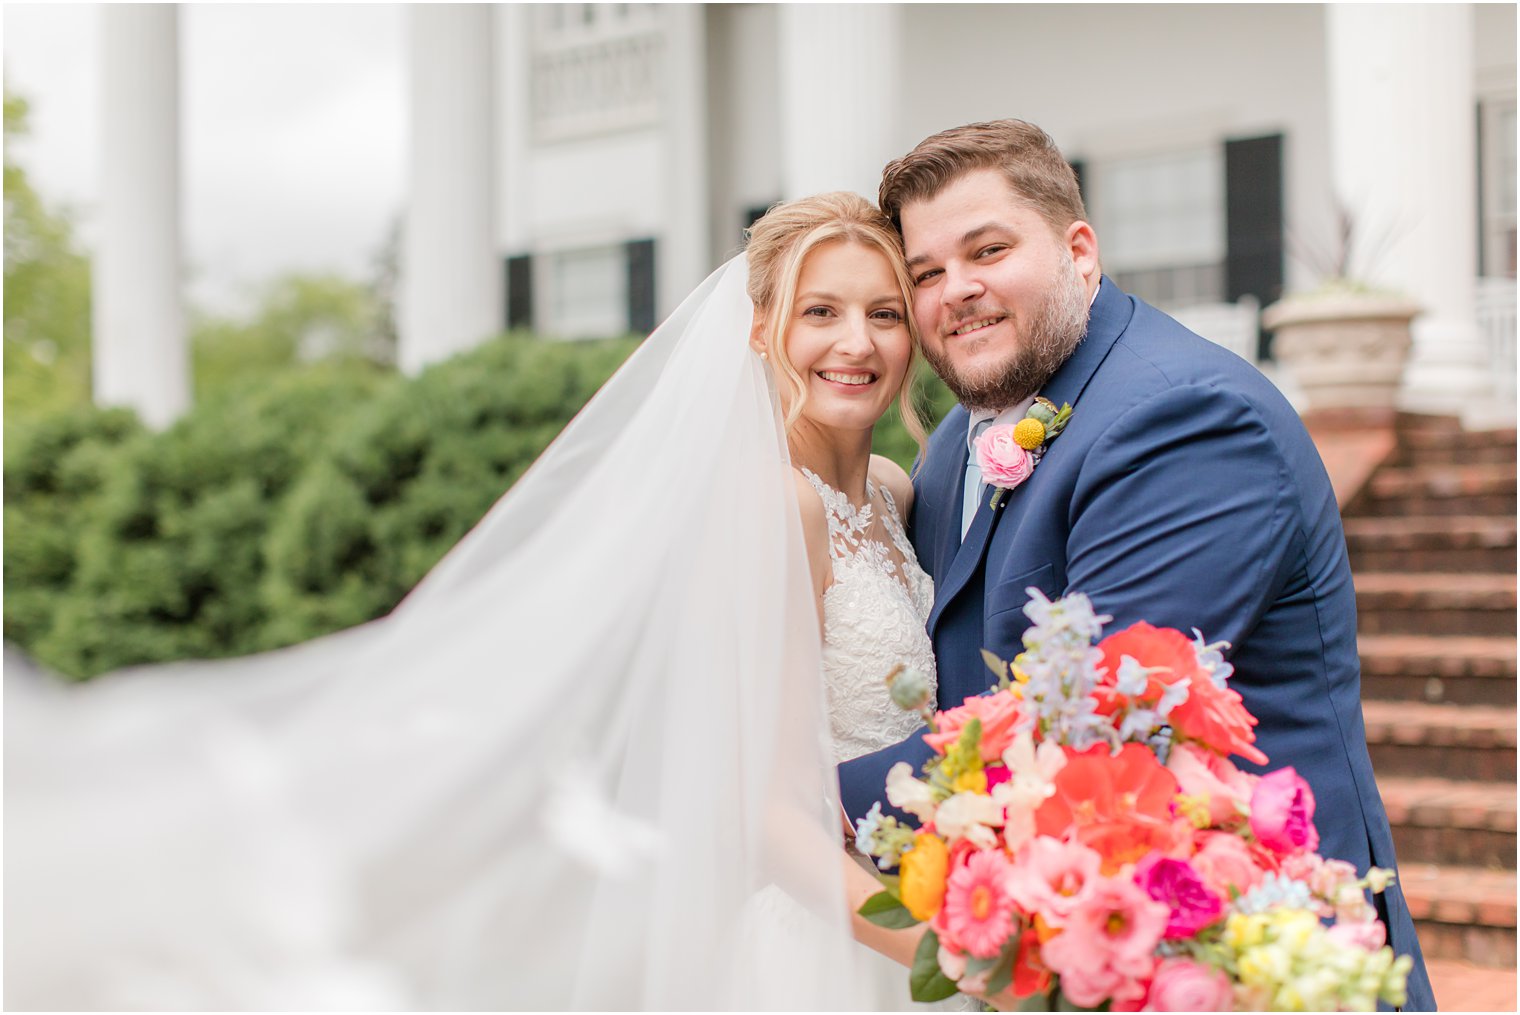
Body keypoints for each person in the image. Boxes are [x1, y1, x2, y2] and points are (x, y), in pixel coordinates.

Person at [5, 195, 944, 1010]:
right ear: (758, 329)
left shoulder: (893, 495)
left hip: (918, 888)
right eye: (820, 311)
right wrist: (960, 958)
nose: (856, 342)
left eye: (885, 313)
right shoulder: (773, 507)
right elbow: (771, 820)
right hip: (839, 941)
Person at [833, 119, 1436, 1012]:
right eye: (924, 273)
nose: (957, 289)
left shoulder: (1186, 419)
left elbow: (1087, 722)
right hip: (1056, 948)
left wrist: (806, 801)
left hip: (1243, 958)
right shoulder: (960, 438)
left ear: (1080, 249)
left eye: (988, 249)